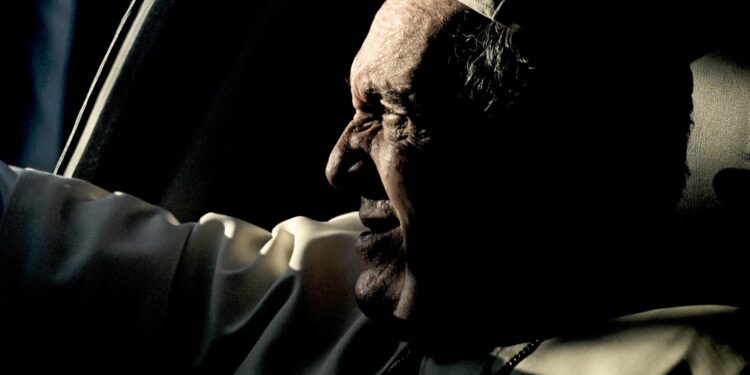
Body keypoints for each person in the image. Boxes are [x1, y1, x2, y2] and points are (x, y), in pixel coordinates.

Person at [0, 0, 746, 373]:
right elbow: (83, 258)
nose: (338, 164)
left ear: (535, 164)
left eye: (387, 115)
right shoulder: (442, 300)